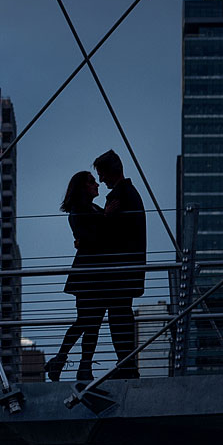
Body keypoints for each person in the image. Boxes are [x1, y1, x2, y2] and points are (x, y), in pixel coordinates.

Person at [43, 171, 115, 382]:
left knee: (92, 323)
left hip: (97, 274)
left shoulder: (92, 208)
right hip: (88, 275)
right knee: (85, 321)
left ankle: (79, 366)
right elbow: (92, 237)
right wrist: (106, 217)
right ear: (83, 187)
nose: (97, 185)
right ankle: (65, 362)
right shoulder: (79, 210)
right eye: (92, 182)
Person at [95, 149, 148, 378]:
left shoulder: (119, 195)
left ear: (110, 171)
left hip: (119, 271)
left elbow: (111, 235)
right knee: (121, 314)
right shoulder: (130, 192)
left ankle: (126, 364)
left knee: (118, 316)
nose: (100, 179)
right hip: (128, 269)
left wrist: (104, 218)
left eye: (101, 173)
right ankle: (126, 363)